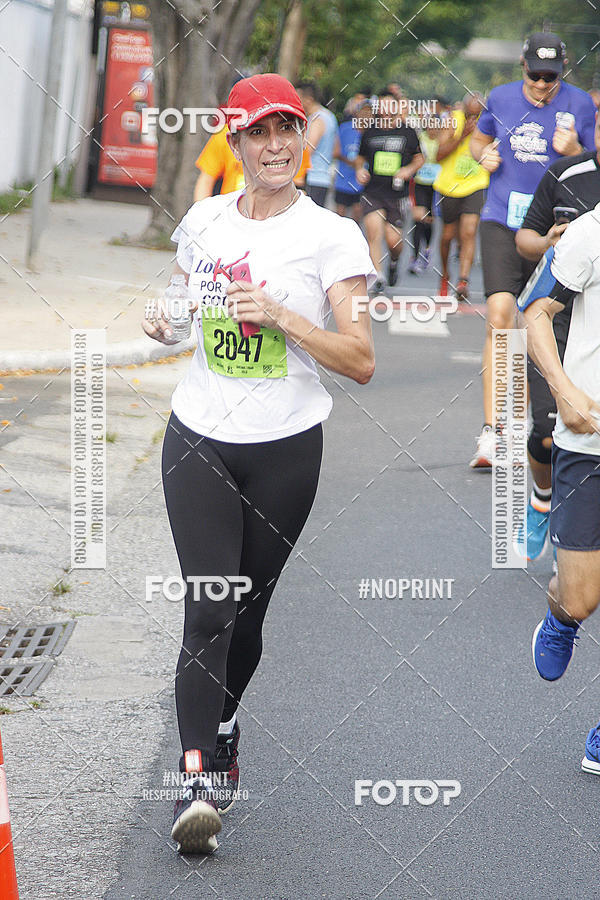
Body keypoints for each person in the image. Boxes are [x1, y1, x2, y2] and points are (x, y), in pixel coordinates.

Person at [142, 73, 375, 855]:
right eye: (259, 132)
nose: (276, 145)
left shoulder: (331, 237)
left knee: (247, 615)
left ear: (304, 138)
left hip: (285, 448)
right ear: (235, 142)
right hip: (199, 434)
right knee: (209, 604)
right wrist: (162, 317)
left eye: (289, 130)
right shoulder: (206, 219)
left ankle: (227, 721)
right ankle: (196, 780)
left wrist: (282, 315)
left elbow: (361, 358)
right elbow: (178, 303)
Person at [468, 31, 596, 468]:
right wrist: (482, 156)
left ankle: (532, 418)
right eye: (536, 75)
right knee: (501, 316)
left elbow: (592, 164)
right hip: (503, 218)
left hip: (557, 226)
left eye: (552, 77)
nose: (543, 84)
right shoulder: (500, 98)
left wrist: (576, 148)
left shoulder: (580, 104)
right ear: (522, 66)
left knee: (542, 319)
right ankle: (494, 430)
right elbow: (477, 140)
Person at [522, 207, 600, 775]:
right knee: (581, 595)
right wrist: (565, 389)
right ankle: (562, 617)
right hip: (588, 441)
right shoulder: (591, 232)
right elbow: (535, 313)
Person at [514, 111, 600, 560]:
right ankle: (542, 498)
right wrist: (551, 241)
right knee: (547, 433)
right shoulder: (566, 174)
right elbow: (524, 240)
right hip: (559, 322)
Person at [355, 91, 424, 292]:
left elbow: (420, 158)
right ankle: (378, 276)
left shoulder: (408, 132)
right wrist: (360, 170)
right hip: (373, 192)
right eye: (382, 106)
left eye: (390, 106)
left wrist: (408, 170)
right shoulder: (370, 131)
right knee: (374, 231)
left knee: (394, 241)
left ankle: (393, 263)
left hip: (397, 194)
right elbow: (360, 157)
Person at [431, 93, 489, 300]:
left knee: (469, 232)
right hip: (449, 186)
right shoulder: (452, 120)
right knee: (448, 236)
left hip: (476, 184)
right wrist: (462, 135)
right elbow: (438, 155)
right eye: (469, 115)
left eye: (477, 115)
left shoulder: (488, 122)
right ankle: (445, 274)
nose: (473, 120)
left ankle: (463, 280)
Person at [296, 81, 337, 207]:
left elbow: (307, 150)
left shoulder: (317, 119)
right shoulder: (330, 117)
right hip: (322, 179)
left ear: (308, 99)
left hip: (312, 178)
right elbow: (337, 150)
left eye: (298, 98)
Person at [408, 119, 440, 275]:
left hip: (436, 186)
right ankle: (414, 257)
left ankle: (427, 249)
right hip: (419, 183)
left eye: (435, 126)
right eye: (430, 126)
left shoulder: (442, 141)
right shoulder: (420, 139)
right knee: (418, 218)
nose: (432, 129)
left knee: (429, 221)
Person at [333, 99, 370, 221]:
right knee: (339, 215)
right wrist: (352, 163)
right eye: (363, 111)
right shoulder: (345, 128)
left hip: (362, 183)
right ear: (357, 113)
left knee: (357, 214)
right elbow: (335, 152)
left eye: (369, 112)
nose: (366, 115)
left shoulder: (372, 132)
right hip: (343, 179)